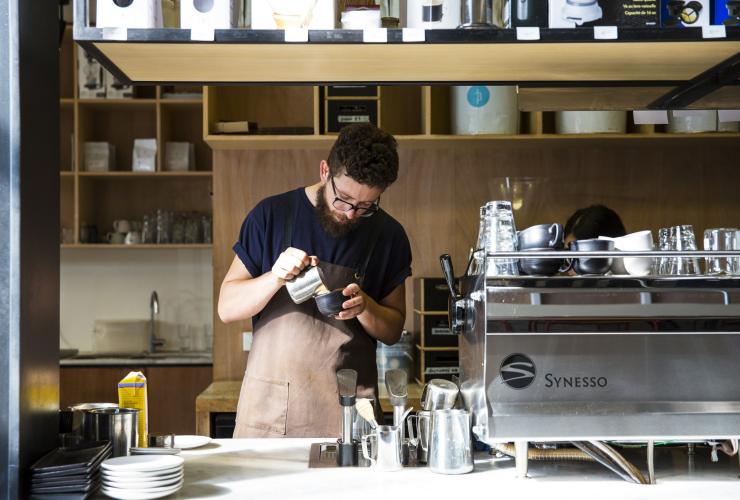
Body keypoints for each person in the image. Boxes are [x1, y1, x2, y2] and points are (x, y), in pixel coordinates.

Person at [218, 124, 412, 438]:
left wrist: (365, 307)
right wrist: (274, 277)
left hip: (346, 414)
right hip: (270, 412)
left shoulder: (388, 236)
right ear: (325, 171)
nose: (350, 214)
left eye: (365, 206)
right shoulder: (271, 216)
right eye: (344, 199)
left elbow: (391, 331)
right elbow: (227, 307)